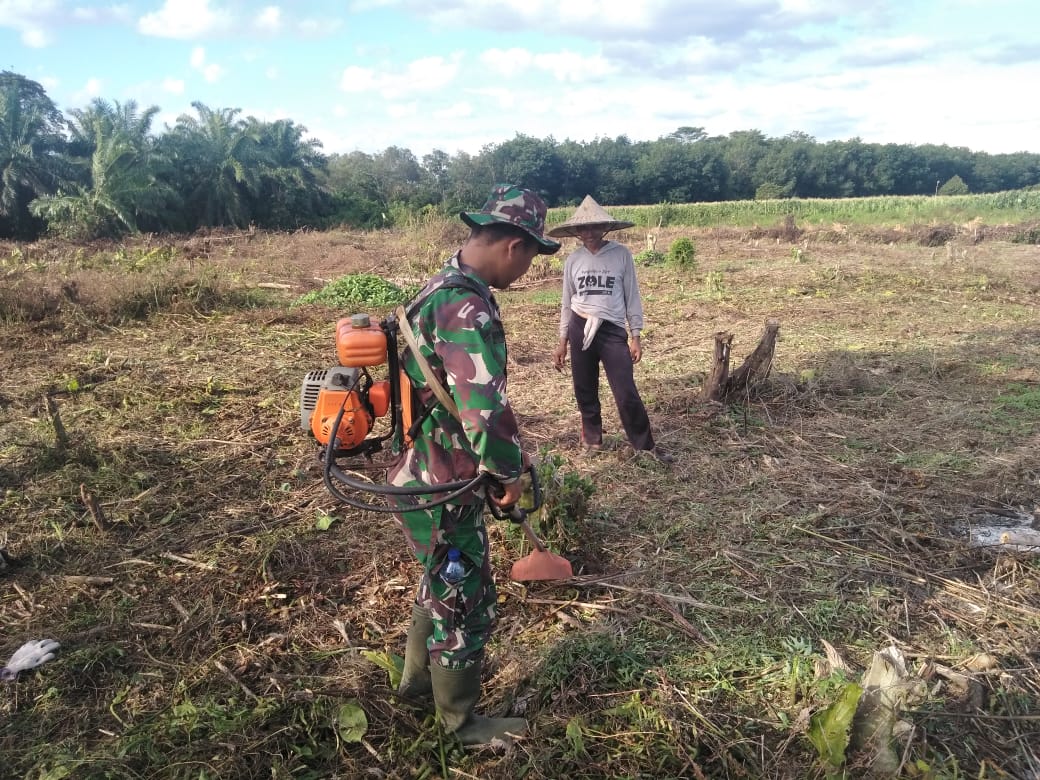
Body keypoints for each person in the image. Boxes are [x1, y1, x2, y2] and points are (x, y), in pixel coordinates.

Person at [389, 184, 560, 746]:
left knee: (440, 585)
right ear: (514, 245)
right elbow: (482, 412)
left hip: (422, 472)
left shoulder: (441, 286)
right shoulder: (467, 307)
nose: (529, 268)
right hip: (445, 484)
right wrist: (509, 475)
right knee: (463, 600)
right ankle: (461, 725)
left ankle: (416, 689)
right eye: (532, 255)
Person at [550, 195, 673, 463]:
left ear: (604, 227)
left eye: (594, 227)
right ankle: (592, 440)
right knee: (585, 388)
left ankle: (644, 446)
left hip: (612, 329)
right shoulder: (573, 261)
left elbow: (632, 296)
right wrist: (562, 340)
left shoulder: (621, 255)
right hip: (579, 325)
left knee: (625, 389)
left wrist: (636, 335)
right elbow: (566, 302)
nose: (589, 233)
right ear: (577, 231)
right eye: (583, 228)